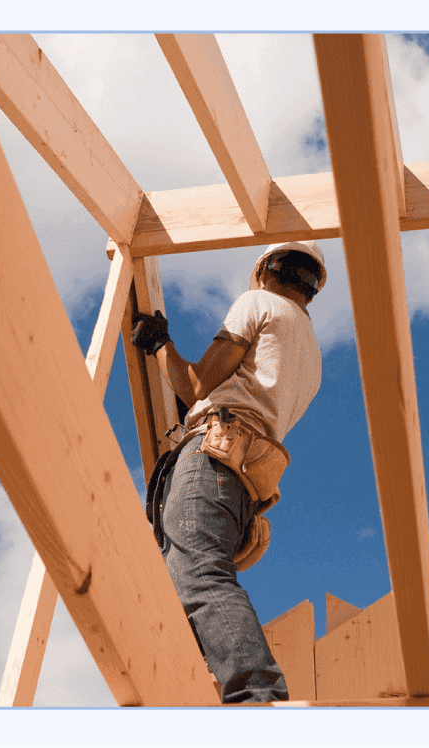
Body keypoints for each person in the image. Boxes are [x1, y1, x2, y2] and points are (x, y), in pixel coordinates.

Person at [131, 240, 325, 704]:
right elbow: (234, 396)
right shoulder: (311, 355)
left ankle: (258, 699)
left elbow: (196, 384)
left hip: (213, 456)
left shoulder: (259, 303)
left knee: (198, 574)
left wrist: (160, 345)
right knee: (183, 583)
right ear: (312, 288)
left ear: (265, 272)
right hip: (244, 476)